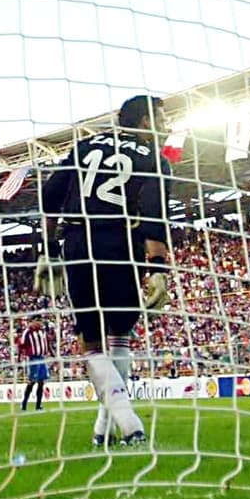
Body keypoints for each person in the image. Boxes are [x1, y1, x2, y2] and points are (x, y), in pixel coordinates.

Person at [36, 94, 171, 448]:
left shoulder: (84, 146)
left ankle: (104, 425)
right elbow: (156, 216)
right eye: (162, 117)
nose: (167, 125)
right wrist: (158, 268)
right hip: (120, 243)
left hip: (78, 244)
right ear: (145, 123)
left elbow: (49, 197)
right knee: (120, 335)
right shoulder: (154, 158)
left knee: (92, 343)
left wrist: (49, 251)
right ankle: (129, 425)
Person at [19, 318, 50, 412]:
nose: (40, 323)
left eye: (40, 321)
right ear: (33, 322)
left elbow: (47, 342)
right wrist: (22, 356)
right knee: (32, 381)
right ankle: (24, 404)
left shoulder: (42, 331)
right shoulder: (27, 332)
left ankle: (38, 405)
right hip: (33, 358)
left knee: (41, 382)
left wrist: (50, 353)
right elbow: (21, 344)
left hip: (42, 358)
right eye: (38, 321)